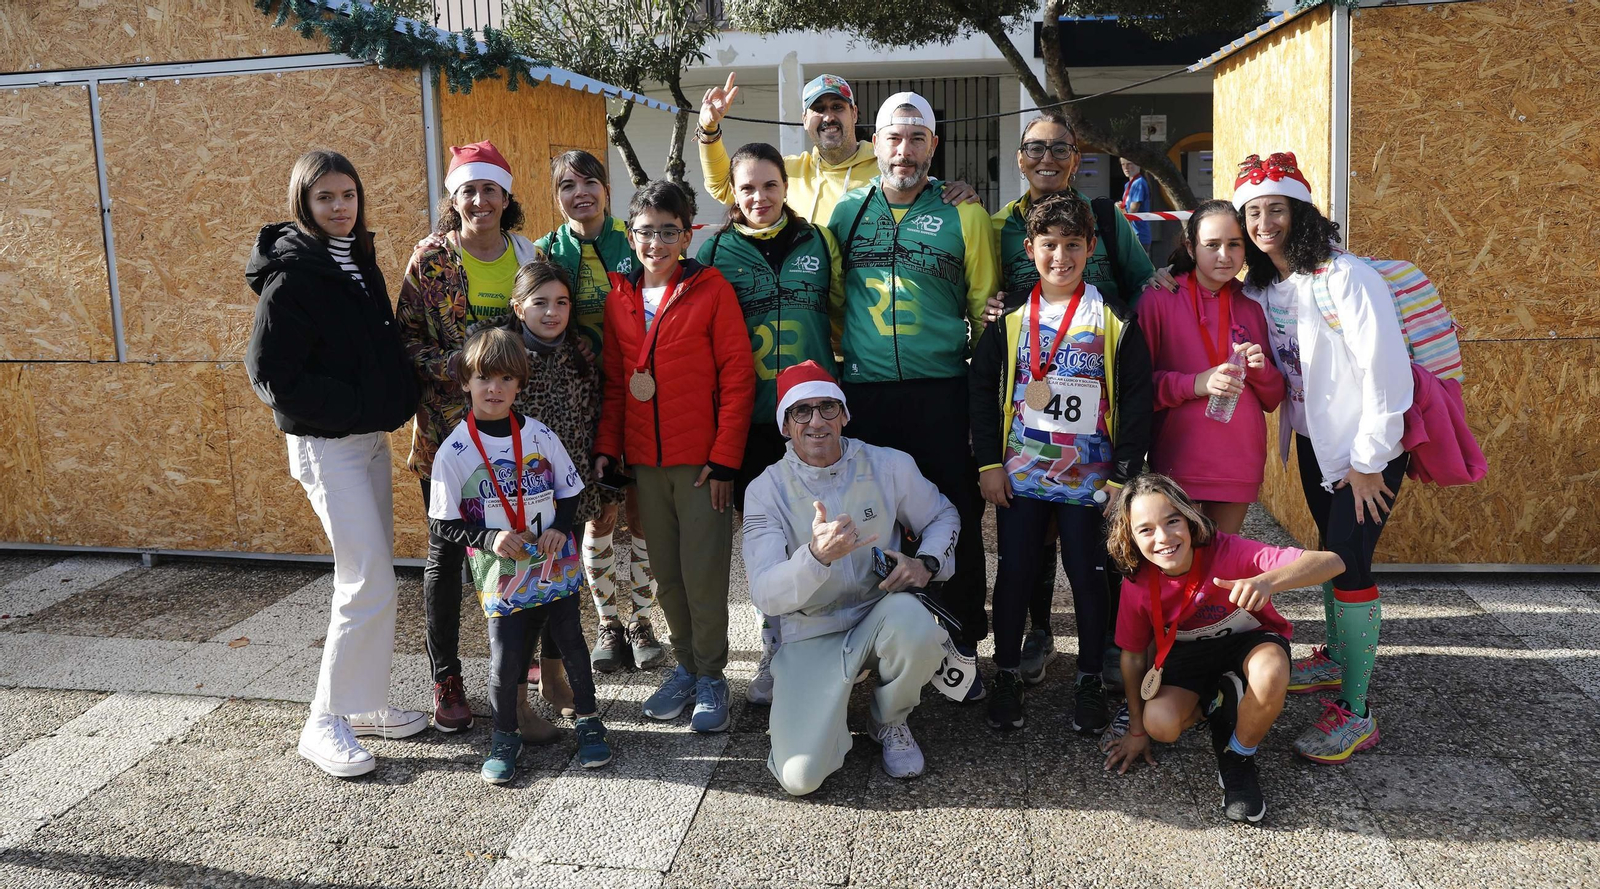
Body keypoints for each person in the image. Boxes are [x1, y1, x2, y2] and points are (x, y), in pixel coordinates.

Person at [245, 149, 425, 778]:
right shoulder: (292, 274)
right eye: (325, 198)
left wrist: (390, 401)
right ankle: (324, 720)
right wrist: (352, 406)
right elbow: (269, 374)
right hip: (328, 445)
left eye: (348, 195)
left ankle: (362, 701)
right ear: (304, 203)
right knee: (366, 576)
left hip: (366, 439)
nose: (340, 207)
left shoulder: (355, 258)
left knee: (374, 574)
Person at [1234, 151, 1413, 764]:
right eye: (1252, 213)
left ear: (1301, 211)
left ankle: (1358, 714)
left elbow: (1388, 374)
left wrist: (1370, 460)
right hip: (1317, 446)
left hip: (1366, 455)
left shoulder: (1347, 277)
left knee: (1347, 564)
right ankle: (1337, 661)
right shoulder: (1265, 285)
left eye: (1275, 209)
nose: (1263, 223)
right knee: (1335, 558)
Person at [989, 111, 1172, 687]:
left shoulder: (1107, 220)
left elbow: (1145, 283)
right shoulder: (995, 224)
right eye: (1035, 149)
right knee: (1030, 534)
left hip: (1097, 387)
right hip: (1030, 401)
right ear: (1019, 157)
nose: (1047, 159)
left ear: (1076, 156)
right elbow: (984, 294)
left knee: (1095, 540)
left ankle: (1110, 649)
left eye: (1060, 149)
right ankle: (1038, 632)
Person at [828, 91, 999, 697]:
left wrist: (984, 400)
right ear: (875, 144)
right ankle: (882, 651)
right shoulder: (846, 213)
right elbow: (831, 301)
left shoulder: (965, 214)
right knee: (875, 523)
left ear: (935, 145)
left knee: (954, 513)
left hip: (942, 390)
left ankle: (962, 650)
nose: (904, 150)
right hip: (868, 393)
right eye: (894, 138)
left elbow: (986, 309)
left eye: (917, 138)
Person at [969, 191, 1152, 734]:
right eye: (1049, 245)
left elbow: (1138, 399)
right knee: (1015, 575)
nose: (1061, 257)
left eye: (1073, 245)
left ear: (1091, 248)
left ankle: (1090, 678)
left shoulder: (1114, 318)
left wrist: (1123, 475)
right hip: (1022, 475)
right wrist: (987, 465)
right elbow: (982, 392)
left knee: (1089, 577)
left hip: (1091, 481)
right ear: (1030, 249)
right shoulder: (1009, 320)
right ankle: (1004, 672)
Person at [744, 361, 959, 795]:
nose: (817, 421)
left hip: (879, 611)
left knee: (917, 627)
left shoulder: (889, 465)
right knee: (799, 779)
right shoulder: (765, 490)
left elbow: (942, 515)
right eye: (801, 412)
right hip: (810, 629)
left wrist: (927, 565)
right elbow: (765, 591)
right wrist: (816, 557)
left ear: (845, 414)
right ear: (785, 425)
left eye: (827, 407)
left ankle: (888, 719)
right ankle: (819, 699)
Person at [594, 181, 756, 733]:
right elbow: (617, 383)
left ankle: (713, 675)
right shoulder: (619, 297)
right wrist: (608, 451)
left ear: (687, 235)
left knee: (704, 575)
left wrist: (726, 458)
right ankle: (686, 666)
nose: (656, 243)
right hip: (644, 465)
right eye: (646, 231)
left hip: (702, 465)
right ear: (631, 234)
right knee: (666, 576)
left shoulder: (712, 290)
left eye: (669, 231)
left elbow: (737, 377)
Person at [396, 140, 546, 734]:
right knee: (449, 553)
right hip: (446, 434)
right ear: (453, 199)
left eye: (490, 189)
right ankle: (448, 677)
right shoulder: (430, 259)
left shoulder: (526, 253)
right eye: (468, 191)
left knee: (516, 542)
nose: (480, 200)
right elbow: (404, 339)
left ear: (507, 197)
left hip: (512, 437)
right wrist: (456, 369)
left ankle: (516, 663)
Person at [1100, 474, 1344, 823]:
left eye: (1172, 521)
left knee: (1271, 672)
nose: (1164, 538)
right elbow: (1134, 655)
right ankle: (1219, 703)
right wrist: (1136, 730)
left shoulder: (1228, 550)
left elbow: (1332, 562)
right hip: (1187, 656)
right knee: (1161, 725)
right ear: (1130, 537)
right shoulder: (1137, 582)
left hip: (1250, 642)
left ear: (1190, 518)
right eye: (1147, 530)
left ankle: (1238, 757)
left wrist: (1265, 580)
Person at [428, 327, 612, 783]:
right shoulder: (454, 450)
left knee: (572, 642)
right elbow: (441, 523)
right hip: (502, 572)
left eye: (507, 379)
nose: (495, 389)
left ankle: (588, 722)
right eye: (485, 378)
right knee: (506, 658)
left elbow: (570, 490)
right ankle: (504, 738)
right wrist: (489, 538)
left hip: (553, 563)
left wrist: (559, 528)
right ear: (466, 382)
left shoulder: (540, 435)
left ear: (520, 384)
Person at [696, 142, 845, 705]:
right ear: (733, 194)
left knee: (821, 534)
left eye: (770, 185)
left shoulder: (818, 240)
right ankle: (773, 649)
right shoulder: (714, 250)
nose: (760, 197)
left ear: (786, 186)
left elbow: (841, 312)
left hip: (814, 418)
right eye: (748, 188)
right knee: (769, 544)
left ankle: (823, 644)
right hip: (753, 416)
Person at [532, 150, 664, 678]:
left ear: (607, 189)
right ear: (556, 195)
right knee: (597, 514)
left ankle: (643, 620)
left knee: (640, 510)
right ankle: (609, 620)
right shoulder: (545, 250)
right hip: (578, 402)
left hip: (641, 396)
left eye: (590, 181)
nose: (580, 192)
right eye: (567, 184)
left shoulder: (632, 239)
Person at [466, 258, 609, 742]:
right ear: (518, 306)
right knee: (515, 599)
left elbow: (589, 414)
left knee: (560, 590)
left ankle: (554, 679)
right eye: (540, 302)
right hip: (512, 506)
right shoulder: (502, 357)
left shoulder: (578, 355)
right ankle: (519, 704)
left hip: (566, 497)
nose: (552, 313)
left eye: (562, 302)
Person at [1137, 200, 1284, 535]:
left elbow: (1273, 397)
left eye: (1234, 244)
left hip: (1239, 461)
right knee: (1180, 564)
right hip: (1180, 459)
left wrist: (1260, 371)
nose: (1224, 255)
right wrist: (1195, 384)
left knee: (1222, 564)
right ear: (1190, 246)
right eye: (1212, 245)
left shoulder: (1253, 304)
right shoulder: (1159, 299)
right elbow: (1136, 389)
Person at [698, 73, 980, 228]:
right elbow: (725, 187)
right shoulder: (788, 172)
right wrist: (709, 129)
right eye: (818, 109)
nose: (828, 117)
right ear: (804, 120)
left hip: (865, 324)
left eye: (837, 107)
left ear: (854, 114)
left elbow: (925, 189)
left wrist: (957, 192)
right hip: (811, 321)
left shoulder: (889, 165)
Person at [1117, 158, 1154, 257]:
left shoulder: (1139, 183)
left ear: (1138, 165)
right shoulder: (1128, 185)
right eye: (1123, 164)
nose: (1126, 167)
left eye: (1129, 164)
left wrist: (1119, 209)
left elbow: (1132, 211)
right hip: (1131, 233)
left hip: (1139, 235)